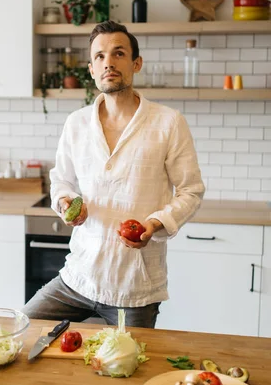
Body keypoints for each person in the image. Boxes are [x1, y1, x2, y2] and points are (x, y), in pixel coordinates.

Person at [22, 20, 205, 327]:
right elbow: (61, 180)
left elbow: (191, 190)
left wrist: (155, 223)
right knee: (25, 329)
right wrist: (66, 202)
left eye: (118, 53)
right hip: (79, 276)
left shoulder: (169, 122)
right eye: (99, 56)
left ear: (136, 63)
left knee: (129, 369)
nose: (108, 62)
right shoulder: (76, 123)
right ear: (92, 70)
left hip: (135, 286)